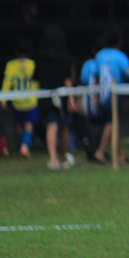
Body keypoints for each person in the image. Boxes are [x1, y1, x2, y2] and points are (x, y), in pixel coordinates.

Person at [92, 26, 129, 165]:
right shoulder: (119, 55)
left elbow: (96, 75)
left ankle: (120, 155)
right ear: (120, 41)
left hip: (101, 92)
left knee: (112, 122)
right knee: (111, 123)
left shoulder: (100, 55)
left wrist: (96, 96)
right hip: (114, 93)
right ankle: (100, 152)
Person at [36, 25, 77, 170]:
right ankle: (63, 158)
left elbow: (37, 79)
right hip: (62, 96)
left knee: (51, 126)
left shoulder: (40, 58)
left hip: (46, 96)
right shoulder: (64, 57)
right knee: (64, 126)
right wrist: (71, 99)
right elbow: (68, 79)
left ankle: (53, 160)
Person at [0, 37, 39, 158]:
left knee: (18, 124)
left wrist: (4, 97)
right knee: (28, 125)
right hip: (31, 100)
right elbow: (37, 82)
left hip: (17, 100)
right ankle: (25, 147)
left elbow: (7, 81)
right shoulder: (32, 64)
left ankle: (19, 147)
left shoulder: (11, 65)